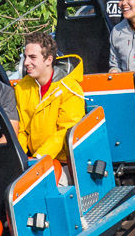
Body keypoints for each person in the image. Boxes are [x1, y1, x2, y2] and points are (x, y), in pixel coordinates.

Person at [14, 32, 85, 162]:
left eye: (32, 57)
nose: (26, 62)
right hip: (32, 160)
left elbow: (65, 131)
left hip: (63, 161)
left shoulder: (70, 88)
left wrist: (40, 157)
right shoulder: (21, 88)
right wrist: (21, 157)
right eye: (25, 57)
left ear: (49, 60)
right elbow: (21, 130)